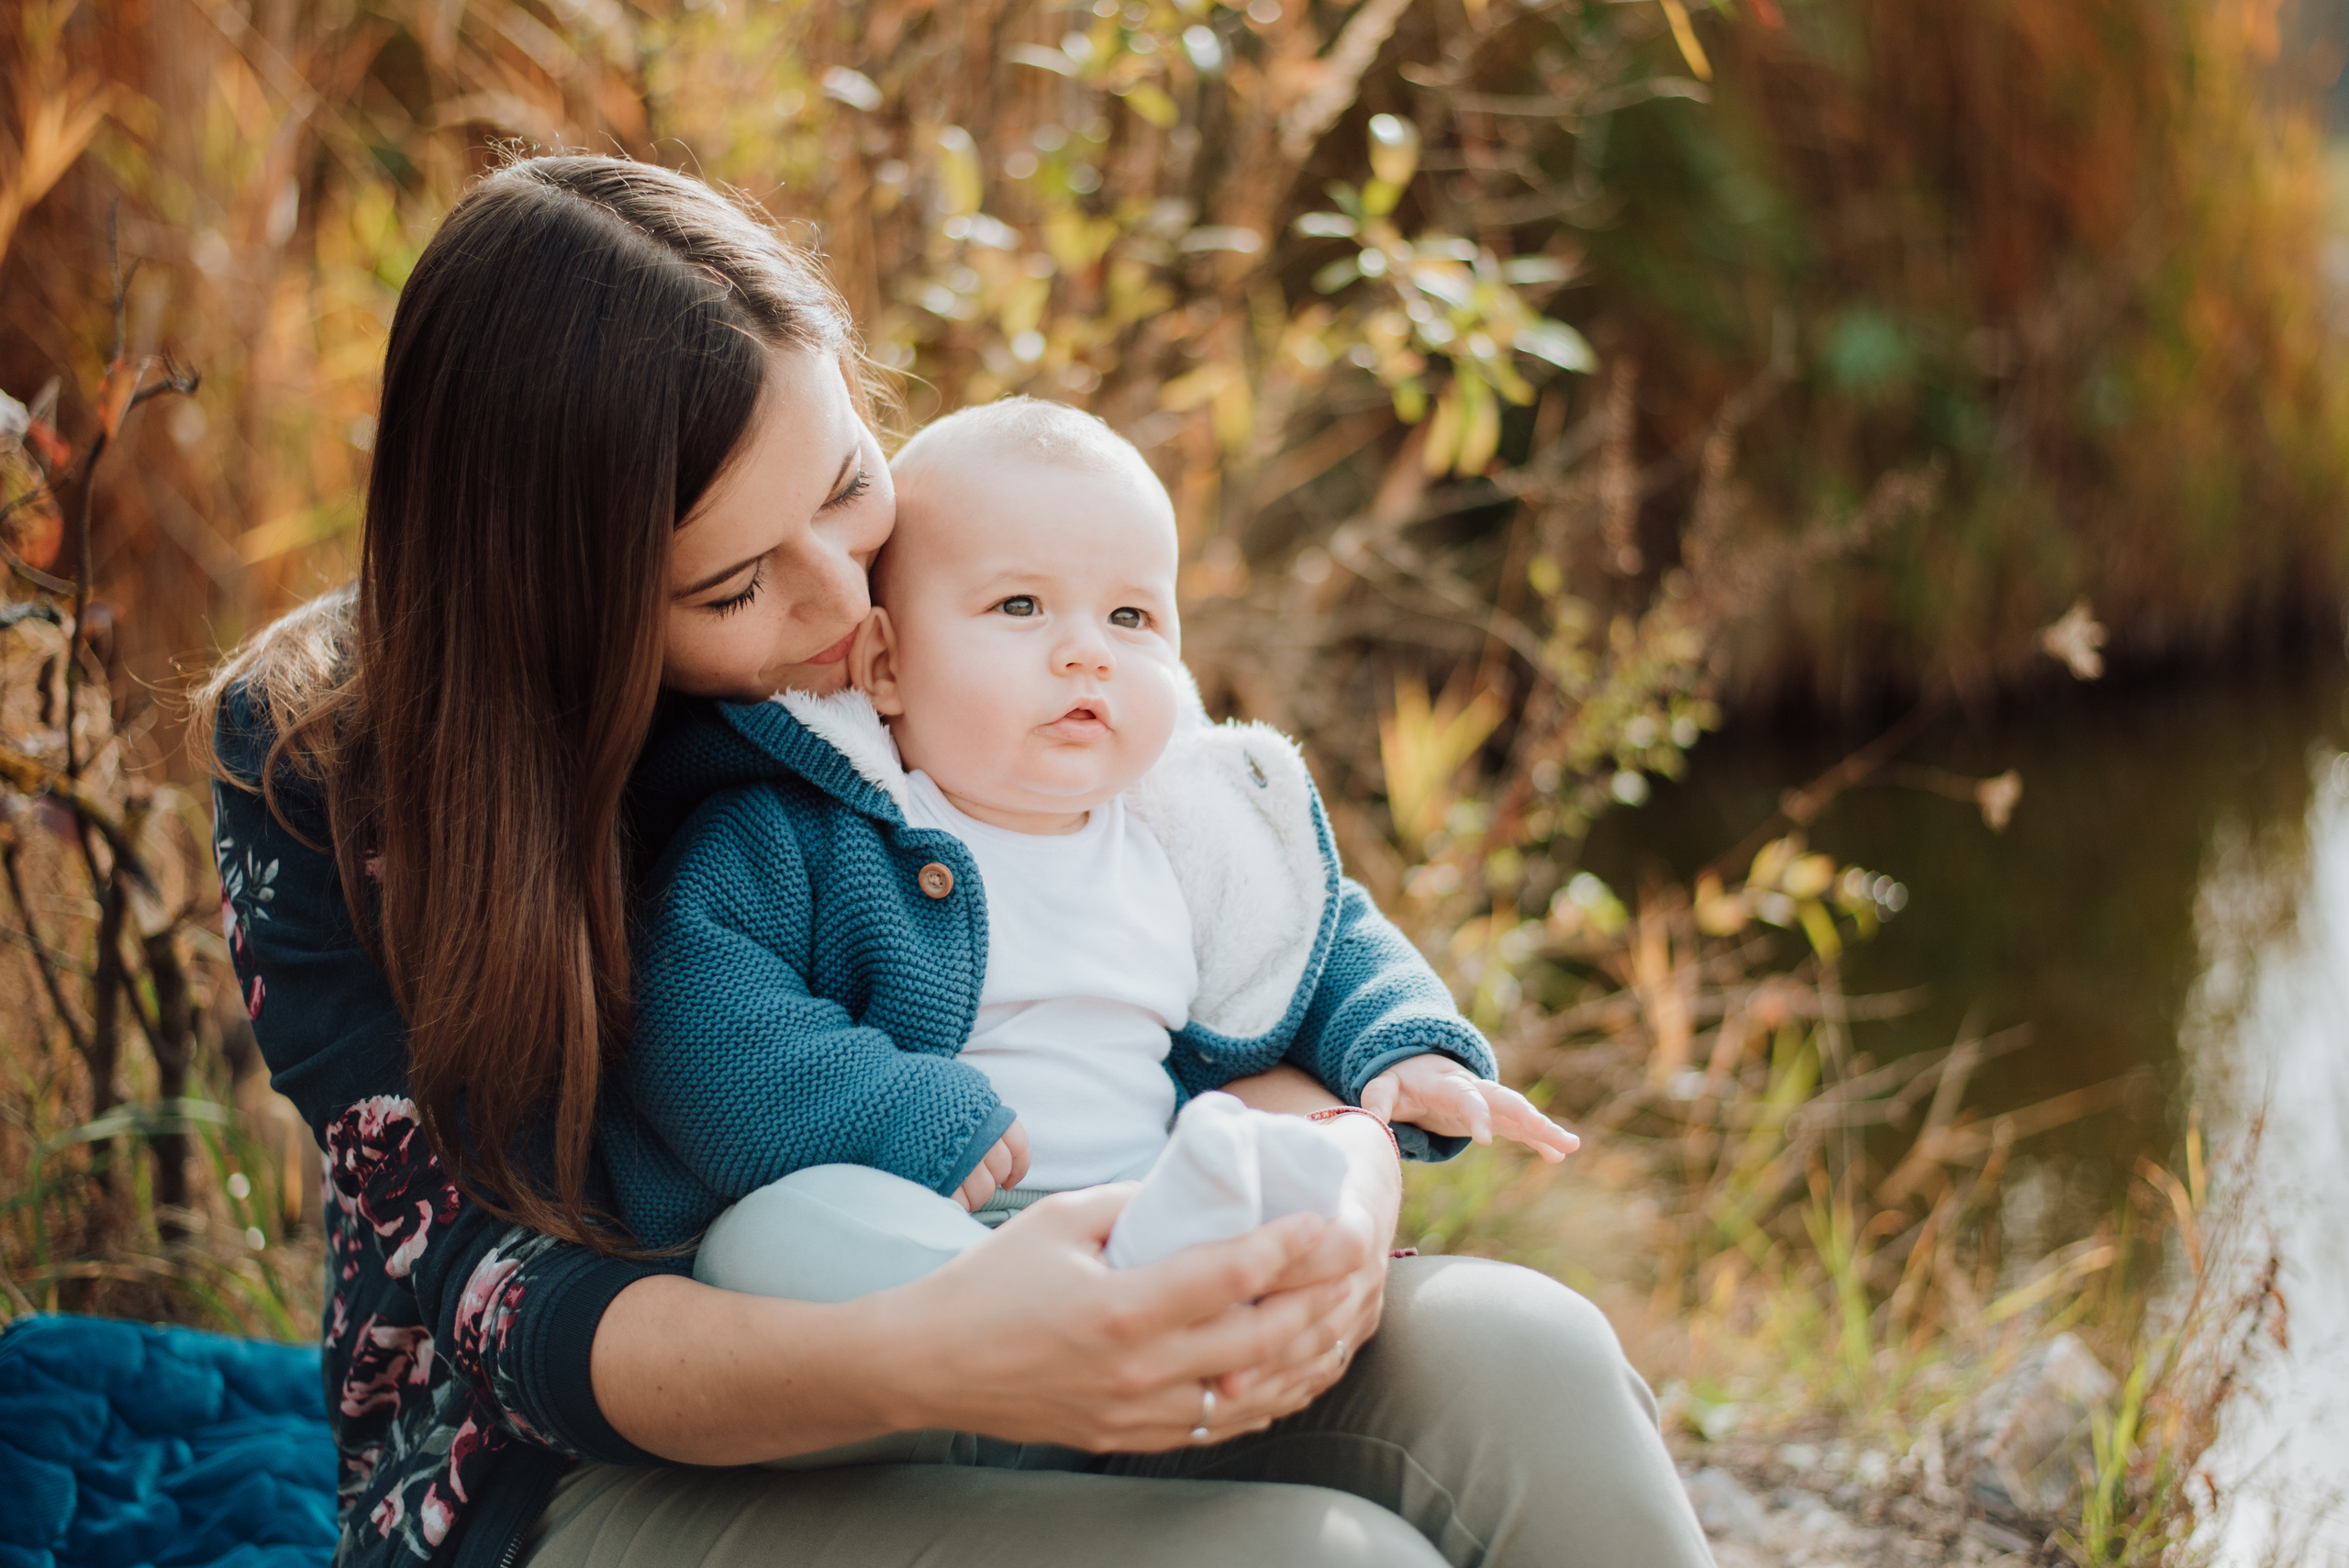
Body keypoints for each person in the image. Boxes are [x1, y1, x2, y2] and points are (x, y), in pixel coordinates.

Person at [201, 153, 1717, 1568]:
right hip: (600, 1457)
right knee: (1323, 1557)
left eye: (848, 481)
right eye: (736, 584)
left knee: (1535, 1355)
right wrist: (957, 1343)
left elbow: (1205, 951)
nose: (841, 597)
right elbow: (495, 1306)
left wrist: (1344, 1175)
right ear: (570, 610)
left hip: (1058, 1274)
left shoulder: (952, 598)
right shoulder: (329, 765)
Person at [603, 396, 1578, 1299]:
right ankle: (1034, 1373)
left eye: (1131, 616)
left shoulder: (1193, 830)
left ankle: (1189, 1322)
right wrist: (896, 1114)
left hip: (1141, 1217)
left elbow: (1322, 943)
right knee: (770, 1241)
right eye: (1020, 607)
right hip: (929, 1240)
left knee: (1292, 1162)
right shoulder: (806, 829)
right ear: (887, 663)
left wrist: (1403, 1044)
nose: (1088, 651)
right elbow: (697, 1011)